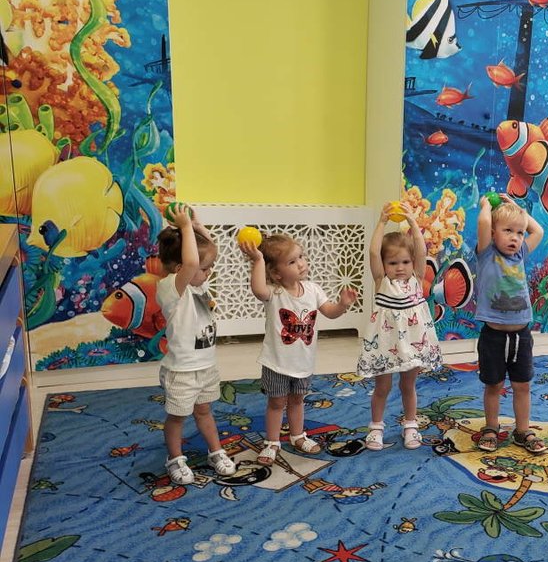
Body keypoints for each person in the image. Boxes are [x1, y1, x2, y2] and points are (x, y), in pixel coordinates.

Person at [240, 233, 357, 464]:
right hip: (277, 363)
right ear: (276, 273)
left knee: (297, 400)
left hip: (303, 363)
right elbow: (257, 288)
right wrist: (258, 260)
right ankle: (272, 442)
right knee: (276, 403)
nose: (301, 263)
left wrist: (343, 304)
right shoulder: (274, 293)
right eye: (292, 261)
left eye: (301, 257)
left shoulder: (313, 289)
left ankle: (297, 436)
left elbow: (330, 312)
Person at [156, 205, 237, 485]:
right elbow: (193, 263)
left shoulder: (197, 284)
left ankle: (215, 451)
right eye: (205, 269)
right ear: (181, 268)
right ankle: (175, 458)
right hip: (182, 371)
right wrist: (186, 228)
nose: (209, 272)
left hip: (206, 367)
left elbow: (206, 254)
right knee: (177, 417)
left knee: (204, 411)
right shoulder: (171, 289)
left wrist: (197, 226)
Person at [356, 203, 442, 450]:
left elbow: (421, 250)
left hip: (413, 342)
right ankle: (376, 427)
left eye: (405, 261)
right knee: (382, 386)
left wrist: (413, 222)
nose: (400, 267)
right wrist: (382, 222)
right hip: (385, 343)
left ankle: (411, 424)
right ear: (384, 265)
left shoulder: (416, 277)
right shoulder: (381, 281)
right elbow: (373, 253)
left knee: (408, 385)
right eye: (393, 263)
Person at [473, 193, 545, 454]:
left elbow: (538, 231)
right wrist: (485, 206)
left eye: (519, 233)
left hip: (521, 335)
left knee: (522, 385)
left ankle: (522, 430)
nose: (515, 237)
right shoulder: (486, 253)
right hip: (493, 336)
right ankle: (491, 428)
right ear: (493, 233)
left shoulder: (520, 254)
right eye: (508, 231)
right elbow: (483, 223)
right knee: (494, 385)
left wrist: (516, 209)